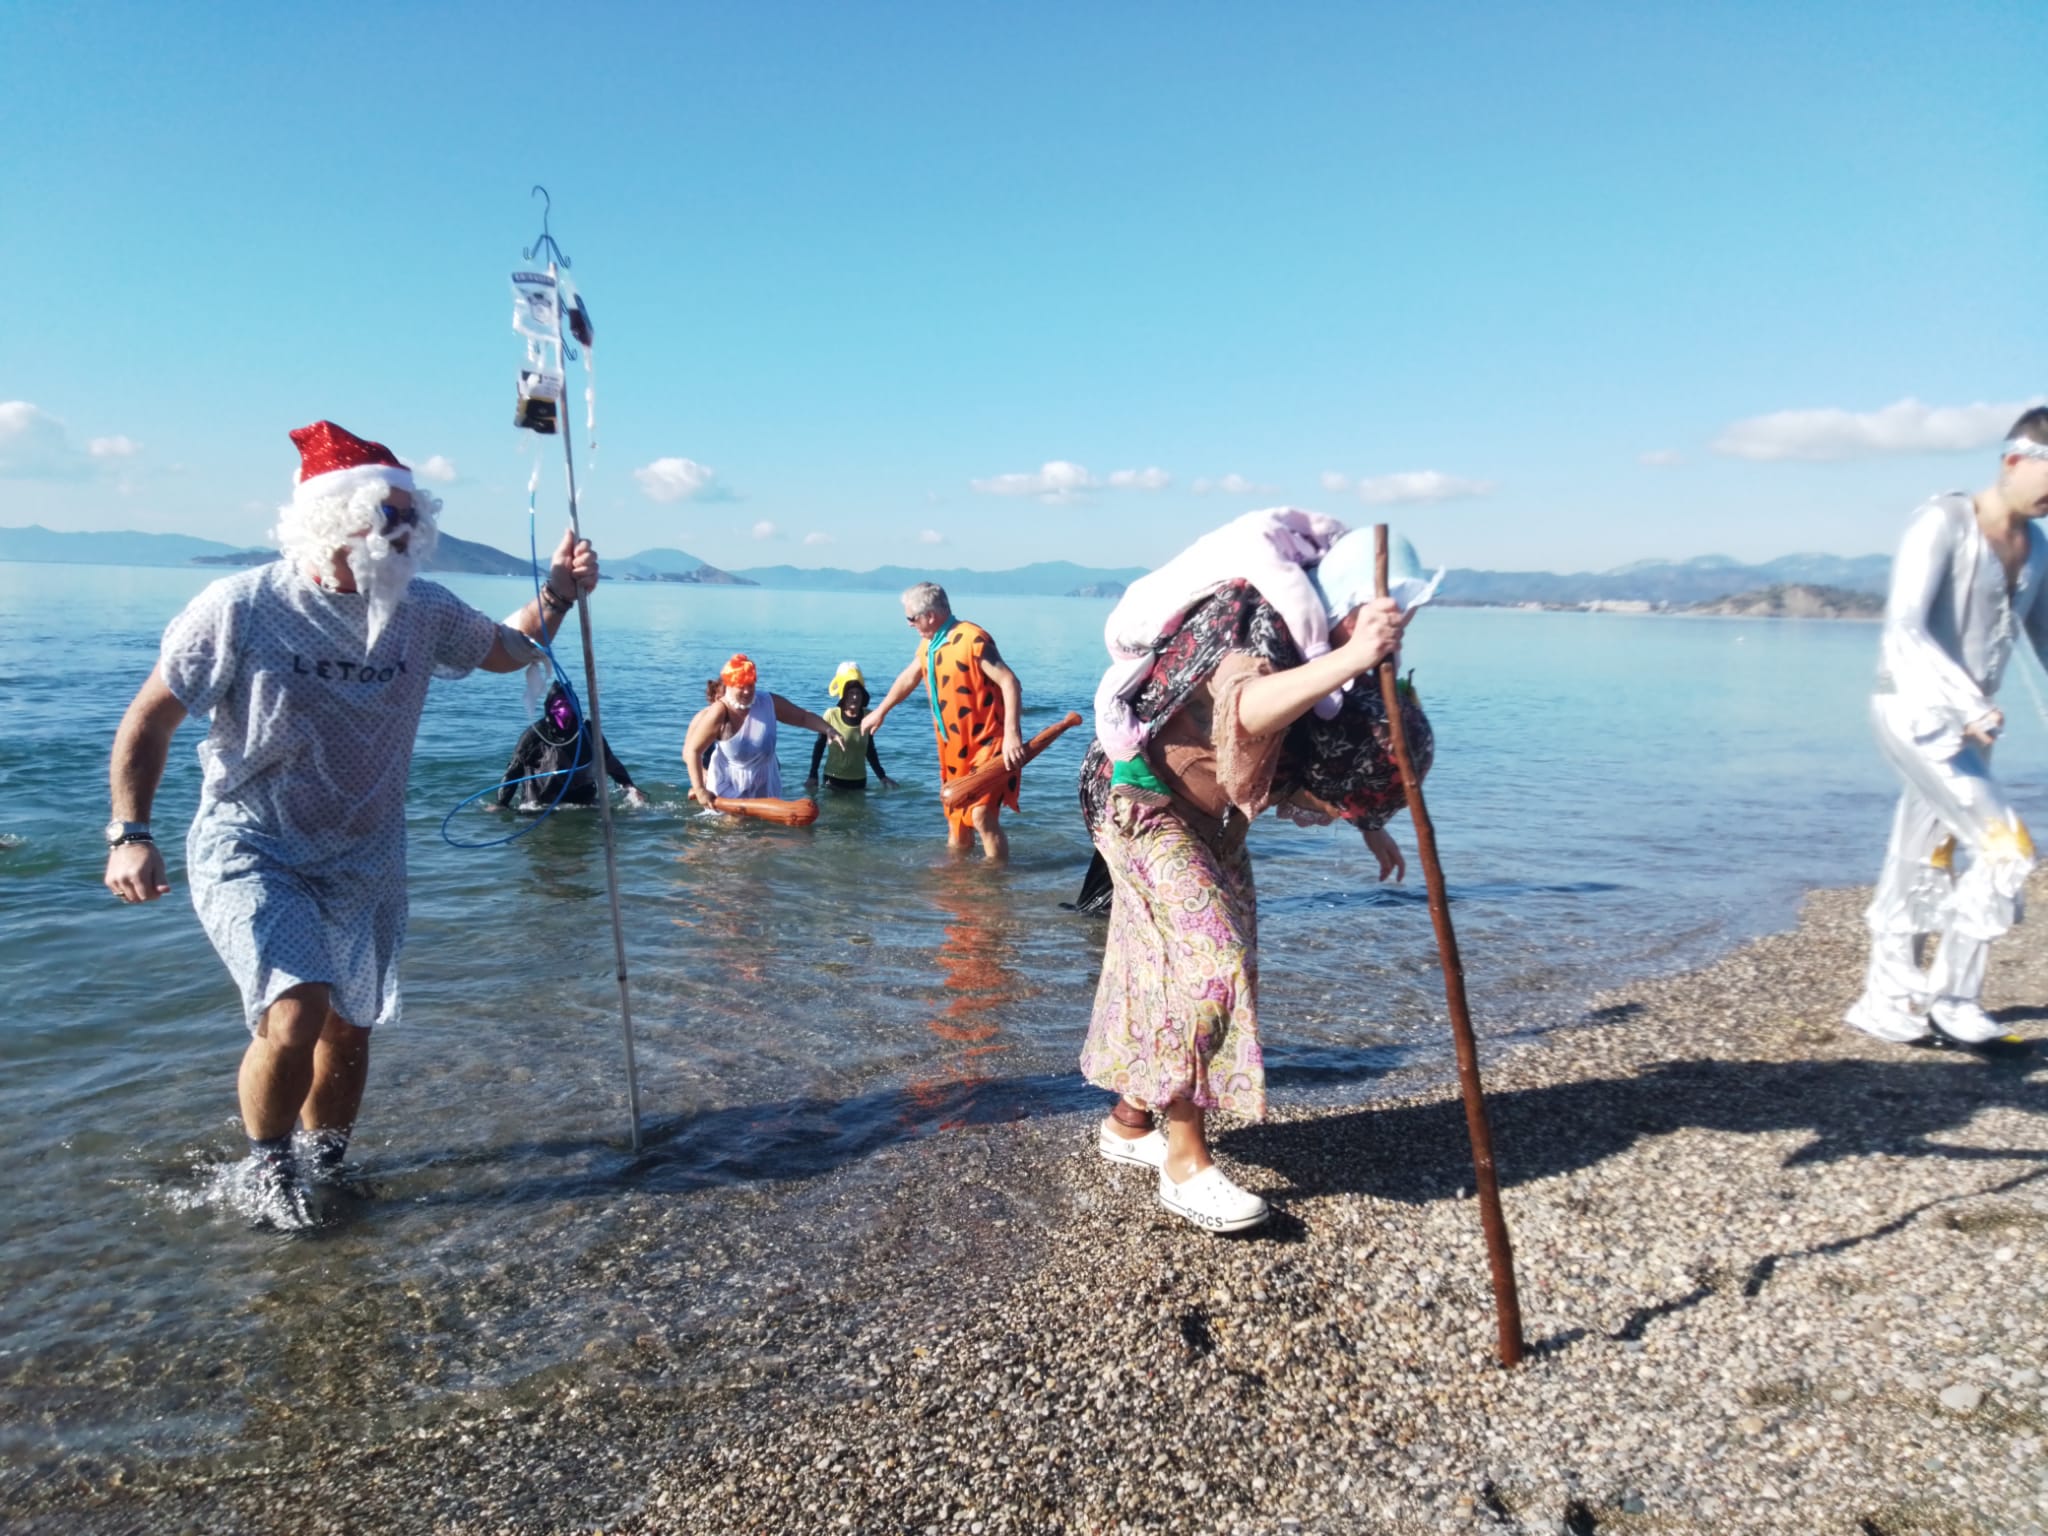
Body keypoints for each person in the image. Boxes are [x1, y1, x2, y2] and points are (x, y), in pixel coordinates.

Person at [101, 420, 602, 1228]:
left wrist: (558, 593)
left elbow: (507, 649)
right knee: (296, 1010)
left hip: (365, 851)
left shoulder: (421, 609)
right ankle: (269, 1168)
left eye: (416, 519)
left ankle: (325, 1165)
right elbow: (148, 721)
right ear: (333, 519)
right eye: (392, 516)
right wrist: (130, 832)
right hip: (252, 840)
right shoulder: (240, 606)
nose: (410, 534)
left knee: (350, 1026)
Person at [1077, 524, 1426, 1233]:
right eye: (1389, 614)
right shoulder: (1256, 619)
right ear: (1351, 603)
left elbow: (1317, 747)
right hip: (1142, 804)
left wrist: (1367, 817)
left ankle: (1129, 1120)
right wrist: (1358, 653)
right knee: (1211, 965)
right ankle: (1185, 1163)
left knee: (1157, 963)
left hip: (1211, 819)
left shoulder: (1323, 650)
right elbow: (1246, 710)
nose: (1400, 628)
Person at [1846, 408, 2048, 1047]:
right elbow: (1902, 627)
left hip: (1971, 726)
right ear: (2015, 459)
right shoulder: (1942, 521)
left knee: (1918, 858)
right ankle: (1952, 998)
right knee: (2007, 850)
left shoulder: (2038, 548)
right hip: (1912, 708)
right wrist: (1966, 703)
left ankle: (1885, 1000)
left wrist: (1972, 713)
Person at [864, 583, 1025, 859]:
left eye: (911, 618)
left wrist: (1012, 734)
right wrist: (881, 711)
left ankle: (996, 887)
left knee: (981, 815)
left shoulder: (973, 640)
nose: (909, 625)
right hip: (954, 748)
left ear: (930, 616)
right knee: (956, 816)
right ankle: (957, 885)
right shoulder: (929, 644)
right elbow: (909, 678)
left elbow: (1009, 682)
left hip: (989, 742)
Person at [683, 654, 830, 806]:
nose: (747, 691)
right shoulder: (713, 713)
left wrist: (828, 729)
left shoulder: (766, 702)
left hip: (764, 782)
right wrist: (700, 786)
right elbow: (691, 751)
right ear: (729, 687)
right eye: (741, 687)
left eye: (751, 685)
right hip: (729, 783)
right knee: (734, 824)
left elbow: (802, 717)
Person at [497, 681, 647, 812]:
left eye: (568, 705)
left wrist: (630, 787)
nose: (564, 711)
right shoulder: (535, 734)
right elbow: (513, 771)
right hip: (540, 805)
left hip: (582, 803)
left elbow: (609, 762)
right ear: (549, 708)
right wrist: (501, 804)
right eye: (559, 705)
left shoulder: (589, 732)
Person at [804, 662, 895, 791]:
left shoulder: (868, 716)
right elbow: (819, 746)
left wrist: (882, 776)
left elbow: (869, 749)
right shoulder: (831, 715)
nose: (855, 697)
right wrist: (813, 775)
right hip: (833, 780)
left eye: (858, 693)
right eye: (851, 693)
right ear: (843, 695)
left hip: (859, 781)